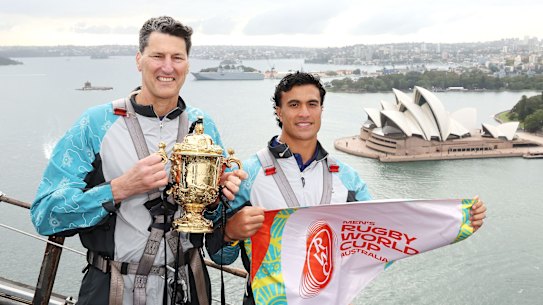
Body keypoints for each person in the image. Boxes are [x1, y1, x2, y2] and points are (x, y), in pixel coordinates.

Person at [207, 72, 487, 305]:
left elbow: (386, 235)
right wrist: (230, 232)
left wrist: (456, 223)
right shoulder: (246, 173)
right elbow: (219, 254)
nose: (304, 113)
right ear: (278, 112)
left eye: (312, 104)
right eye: (294, 105)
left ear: (321, 110)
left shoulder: (348, 179)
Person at [30, 16, 246, 305]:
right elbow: (45, 215)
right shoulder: (95, 124)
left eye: (177, 57)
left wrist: (220, 201)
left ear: (187, 64)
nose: (167, 67)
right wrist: (119, 188)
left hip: (188, 290)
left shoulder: (203, 126)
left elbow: (222, 253)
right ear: (139, 60)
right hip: (112, 292)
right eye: (157, 56)